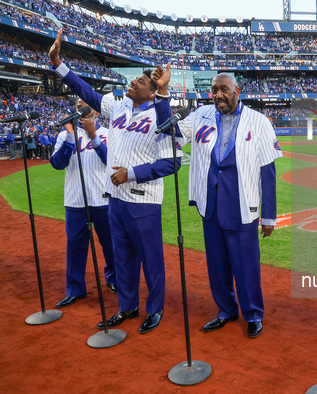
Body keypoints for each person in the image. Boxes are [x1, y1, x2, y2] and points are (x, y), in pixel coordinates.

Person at [49, 28, 180, 334]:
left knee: (151, 259)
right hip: (115, 198)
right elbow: (85, 90)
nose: (133, 82)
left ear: (152, 91)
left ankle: (155, 309)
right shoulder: (118, 106)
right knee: (122, 258)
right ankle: (127, 307)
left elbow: (172, 162)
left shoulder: (160, 115)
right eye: (135, 79)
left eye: (141, 82)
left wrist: (130, 173)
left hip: (143, 200)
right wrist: (58, 63)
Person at [172, 73, 282, 339]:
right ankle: (226, 310)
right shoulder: (201, 115)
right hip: (210, 205)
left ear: (237, 90)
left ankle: (253, 314)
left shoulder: (259, 121)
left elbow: (268, 171)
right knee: (217, 264)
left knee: (246, 267)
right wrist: (163, 94)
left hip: (242, 206)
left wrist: (268, 217)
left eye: (224, 89)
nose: (218, 94)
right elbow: (174, 131)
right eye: (214, 90)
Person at [50, 99, 118, 308]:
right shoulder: (65, 135)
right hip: (75, 200)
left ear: (96, 111)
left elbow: (110, 161)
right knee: (75, 247)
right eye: (78, 105)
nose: (81, 108)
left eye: (86, 104)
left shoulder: (108, 133)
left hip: (103, 199)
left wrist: (93, 135)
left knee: (110, 245)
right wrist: (71, 137)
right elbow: (57, 164)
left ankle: (114, 279)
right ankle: (75, 289)